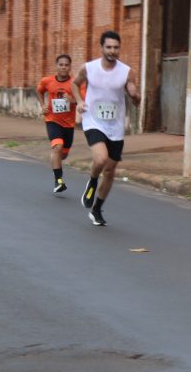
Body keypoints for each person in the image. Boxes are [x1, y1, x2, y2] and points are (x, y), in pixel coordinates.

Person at [71, 30, 140, 226]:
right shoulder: (89, 68)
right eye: (109, 47)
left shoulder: (126, 72)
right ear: (101, 48)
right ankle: (93, 180)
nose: (112, 51)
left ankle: (97, 209)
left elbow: (136, 101)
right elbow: (75, 84)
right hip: (93, 120)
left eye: (116, 47)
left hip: (115, 126)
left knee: (109, 171)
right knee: (101, 159)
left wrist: (135, 95)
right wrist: (79, 101)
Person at [36, 54, 81, 194]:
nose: (63, 67)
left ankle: (55, 160)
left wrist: (72, 100)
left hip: (68, 124)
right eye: (61, 65)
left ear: (70, 67)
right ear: (56, 66)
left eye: (66, 65)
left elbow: (82, 100)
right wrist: (43, 105)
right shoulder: (47, 81)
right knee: (57, 147)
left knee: (63, 154)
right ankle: (58, 180)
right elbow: (39, 90)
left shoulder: (74, 83)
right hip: (52, 120)